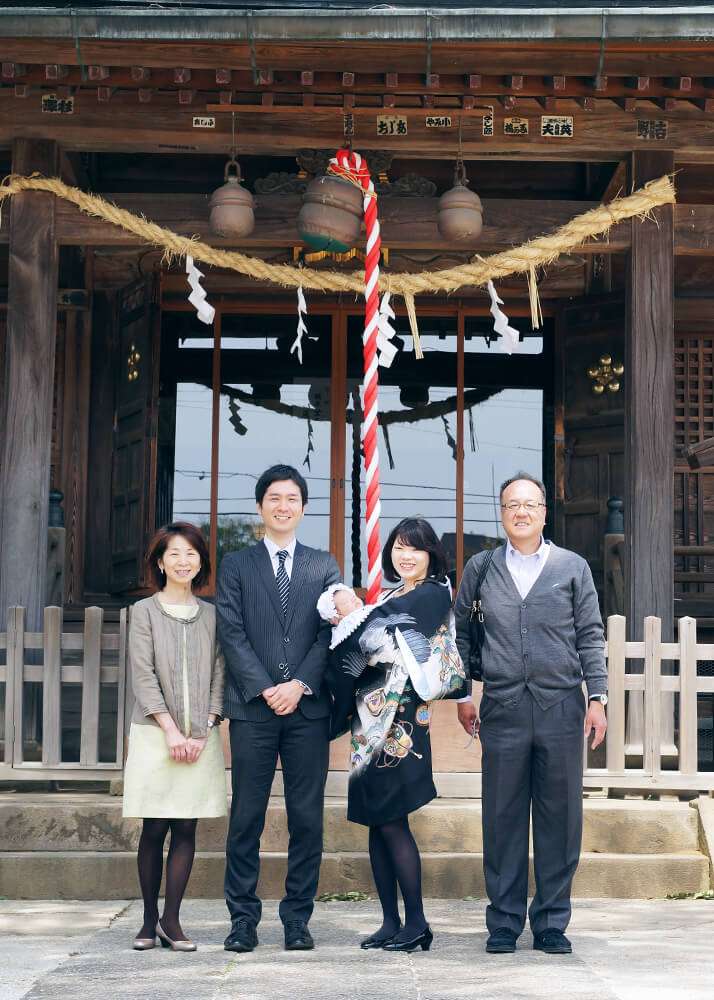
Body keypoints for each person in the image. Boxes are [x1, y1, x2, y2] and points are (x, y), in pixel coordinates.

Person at [454, 473, 608, 956]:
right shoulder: (480, 568)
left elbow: (590, 634)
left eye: (530, 505)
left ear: (544, 512)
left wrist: (598, 698)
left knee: (560, 818)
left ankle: (551, 922)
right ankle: (503, 922)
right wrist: (462, 693)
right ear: (501, 514)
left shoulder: (572, 567)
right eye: (511, 505)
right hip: (502, 707)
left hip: (562, 706)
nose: (521, 512)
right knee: (501, 818)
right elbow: (460, 635)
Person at [217, 464, 341, 953]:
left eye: (292, 498)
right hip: (253, 710)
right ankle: (242, 918)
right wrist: (268, 687)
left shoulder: (323, 565)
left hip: (308, 711)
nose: (283, 505)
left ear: (304, 508)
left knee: (306, 817)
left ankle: (297, 918)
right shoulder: (236, 564)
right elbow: (231, 631)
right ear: (260, 507)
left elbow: (330, 633)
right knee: (246, 814)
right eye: (274, 498)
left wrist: (301, 684)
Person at [327, 518, 465, 954]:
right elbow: (370, 635)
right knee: (376, 819)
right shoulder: (390, 595)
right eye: (399, 548)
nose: (406, 556)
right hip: (369, 721)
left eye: (416, 548)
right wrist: (363, 627)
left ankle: (418, 922)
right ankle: (390, 921)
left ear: (431, 556)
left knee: (393, 819)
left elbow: (373, 639)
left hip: (399, 720)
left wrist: (355, 621)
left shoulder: (432, 593)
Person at [123, 522, 226, 952]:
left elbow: (220, 672)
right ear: (160, 562)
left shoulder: (213, 614)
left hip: (202, 736)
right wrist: (170, 730)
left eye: (191, 554)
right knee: (155, 825)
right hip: (153, 734)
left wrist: (203, 729)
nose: (184, 561)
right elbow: (143, 675)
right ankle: (147, 921)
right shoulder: (143, 611)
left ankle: (172, 920)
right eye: (175, 554)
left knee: (187, 825)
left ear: (200, 562)